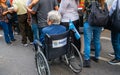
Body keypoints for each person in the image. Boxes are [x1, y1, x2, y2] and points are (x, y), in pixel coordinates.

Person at [83, 0, 107, 67]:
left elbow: (83, 9)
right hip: (99, 23)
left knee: (87, 42)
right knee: (97, 40)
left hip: (89, 23)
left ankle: (87, 60)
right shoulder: (103, 2)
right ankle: (97, 57)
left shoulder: (88, 1)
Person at [108, 0, 120, 65]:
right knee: (119, 39)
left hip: (117, 23)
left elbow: (112, 11)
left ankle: (118, 57)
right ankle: (117, 53)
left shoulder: (117, 1)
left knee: (115, 40)